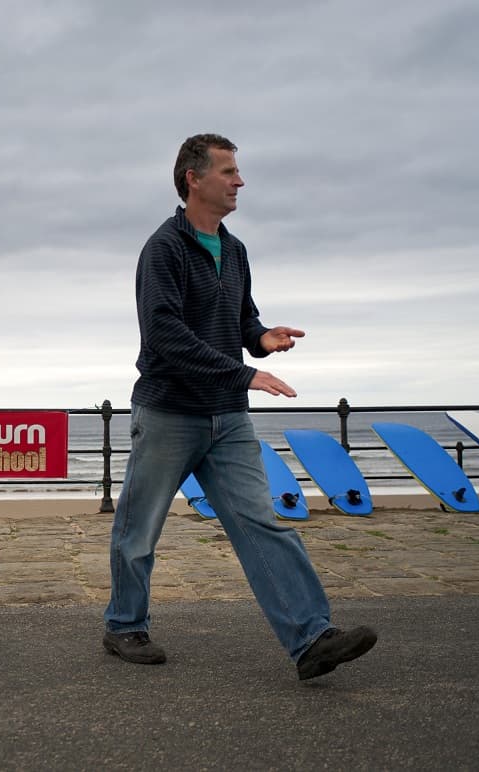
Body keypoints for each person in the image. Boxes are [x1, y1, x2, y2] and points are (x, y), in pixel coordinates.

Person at [103, 133, 377, 680]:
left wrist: (261, 336)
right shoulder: (164, 249)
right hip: (168, 413)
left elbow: (241, 319)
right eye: (228, 171)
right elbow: (163, 335)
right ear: (193, 179)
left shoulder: (235, 249)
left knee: (261, 523)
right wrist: (247, 372)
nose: (239, 181)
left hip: (226, 417)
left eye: (237, 171)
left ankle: (311, 638)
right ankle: (124, 625)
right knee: (139, 531)